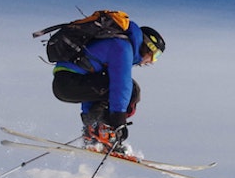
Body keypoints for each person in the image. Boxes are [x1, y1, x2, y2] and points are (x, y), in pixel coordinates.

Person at [51, 21, 165, 152]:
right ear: (148, 46)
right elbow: (121, 85)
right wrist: (119, 121)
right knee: (132, 90)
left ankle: (94, 131)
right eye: (155, 56)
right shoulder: (123, 47)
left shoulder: (117, 43)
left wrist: (88, 118)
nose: (152, 61)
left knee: (110, 86)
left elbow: (95, 84)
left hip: (64, 84)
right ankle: (105, 133)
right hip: (70, 82)